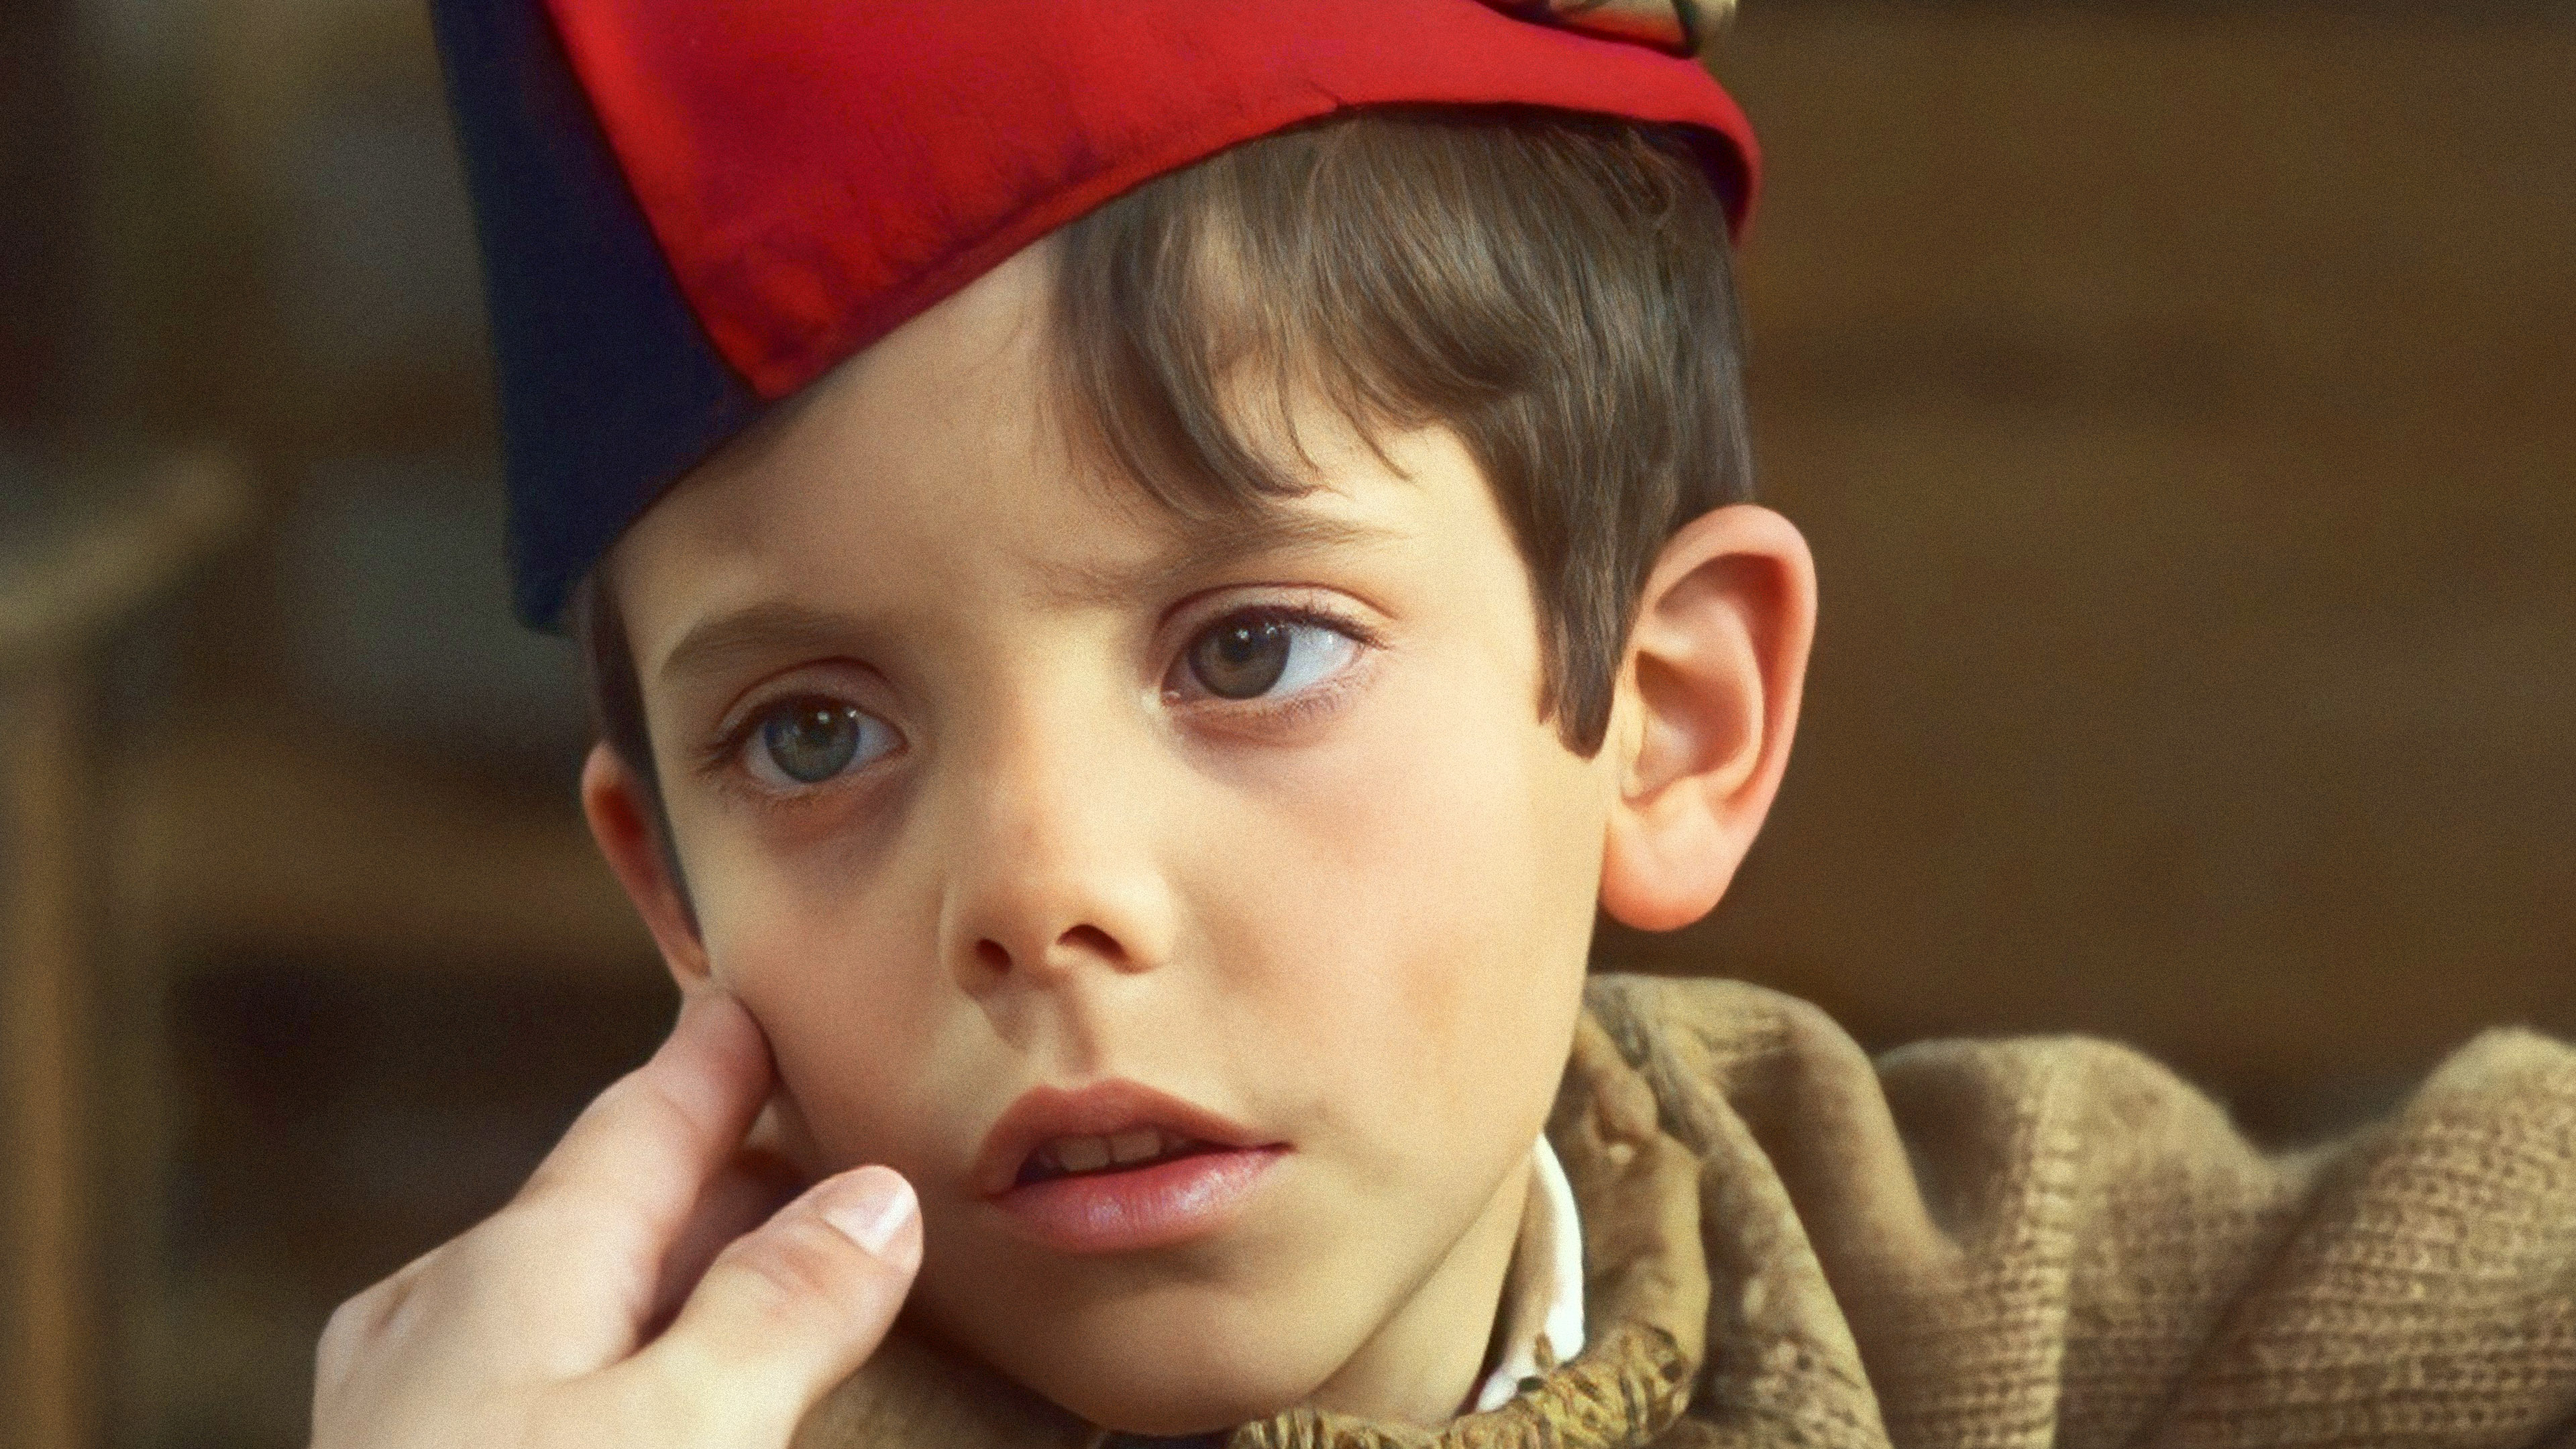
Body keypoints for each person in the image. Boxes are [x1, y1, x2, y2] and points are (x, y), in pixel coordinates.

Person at [313, 3, 2576, 1447]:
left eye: (1249, 650)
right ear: (677, 906)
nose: (1039, 893)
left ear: (1669, 723)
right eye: (812, 739)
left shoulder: (1959, 1288)